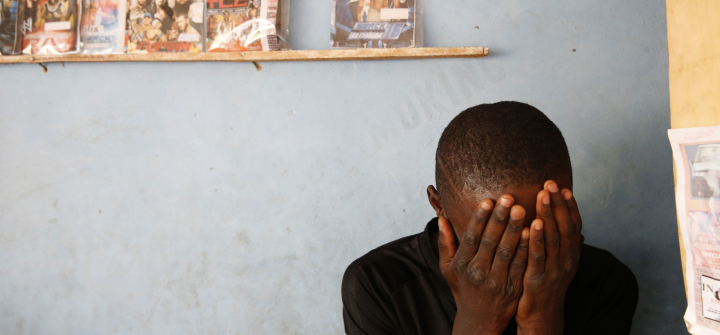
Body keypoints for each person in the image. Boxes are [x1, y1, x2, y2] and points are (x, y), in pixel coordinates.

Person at [341, 102, 639, 335]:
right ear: (438, 205)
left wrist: (540, 318)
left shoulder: (607, 282)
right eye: (489, 236)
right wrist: (479, 320)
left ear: (568, 207)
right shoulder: (379, 283)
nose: (516, 253)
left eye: (537, 232)